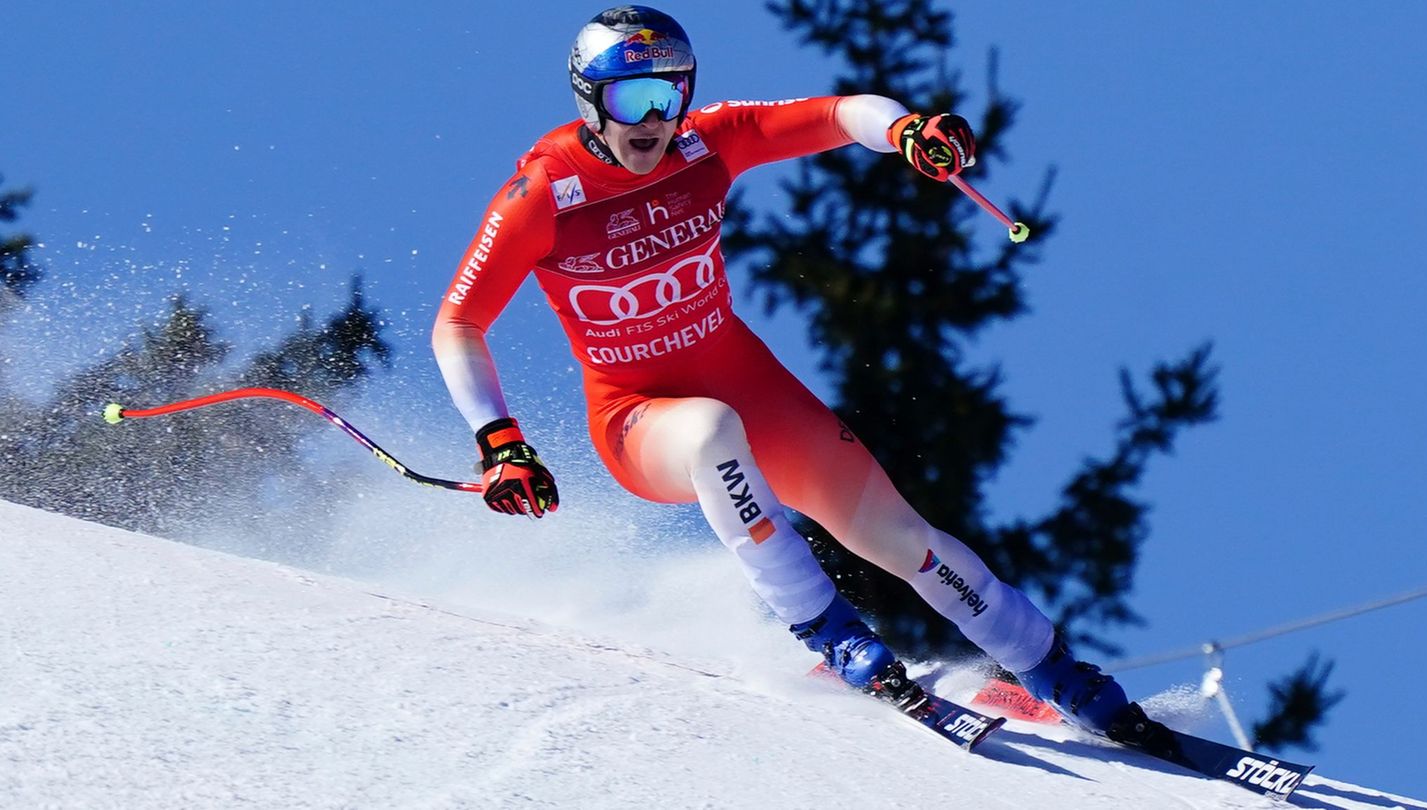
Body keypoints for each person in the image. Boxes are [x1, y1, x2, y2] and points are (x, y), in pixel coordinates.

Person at [433, 5, 1144, 738]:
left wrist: (905, 132)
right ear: (589, 98)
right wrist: (500, 441)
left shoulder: (707, 144)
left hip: (749, 386)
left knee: (900, 535)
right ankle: (833, 634)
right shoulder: (547, 192)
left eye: (668, 96)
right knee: (710, 432)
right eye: (629, 99)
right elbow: (458, 323)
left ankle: (1054, 668)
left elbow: (840, 114)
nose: (651, 120)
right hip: (637, 417)